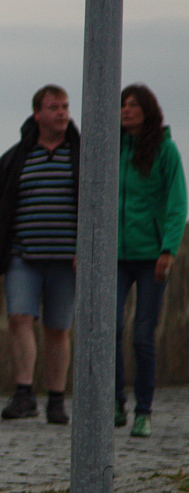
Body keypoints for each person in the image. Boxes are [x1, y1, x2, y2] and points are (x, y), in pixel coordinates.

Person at [0, 85, 80, 425]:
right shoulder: (19, 155)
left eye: (65, 106)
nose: (62, 113)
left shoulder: (80, 154)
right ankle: (23, 393)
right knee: (19, 318)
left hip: (67, 258)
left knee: (57, 328)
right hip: (24, 255)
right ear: (37, 114)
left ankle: (55, 399)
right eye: (54, 107)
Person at [114, 84, 187, 438]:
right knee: (108, 329)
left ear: (148, 110)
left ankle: (144, 410)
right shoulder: (108, 149)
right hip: (113, 256)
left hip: (150, 256)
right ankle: (113, 402)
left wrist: (168, 250)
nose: (126, 110)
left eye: (133, 104)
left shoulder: (165, 150)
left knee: (143, 335)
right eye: (123, 104)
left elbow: (177, 203)